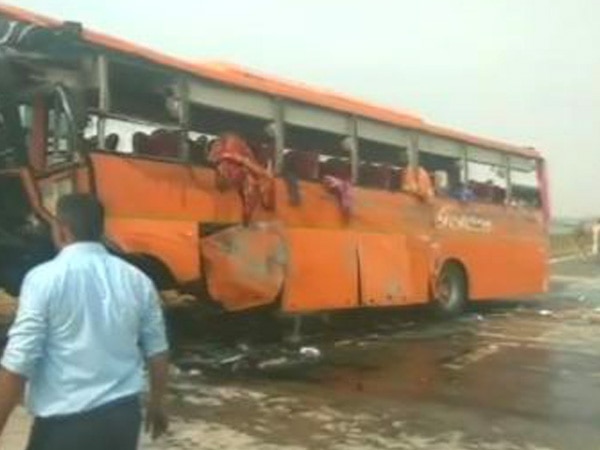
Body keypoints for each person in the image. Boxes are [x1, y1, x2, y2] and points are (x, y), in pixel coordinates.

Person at [0, 193, 169, 450]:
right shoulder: (137, 280)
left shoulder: (43, 279)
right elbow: (157, 351)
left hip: (66, 425)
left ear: (62, 230)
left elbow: (19, 361)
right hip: (122, 420)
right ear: (101, 229)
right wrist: (156, 405)